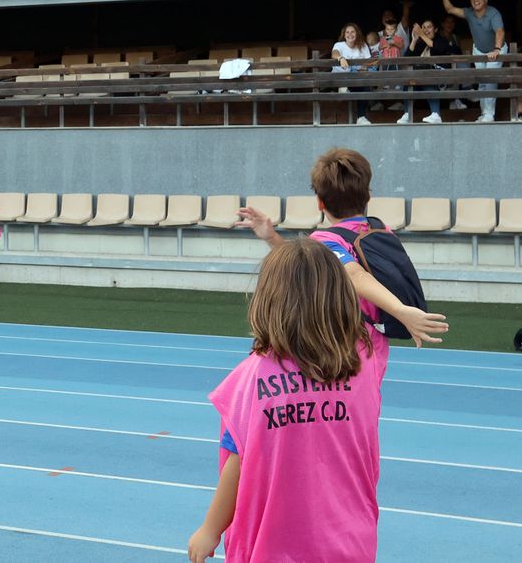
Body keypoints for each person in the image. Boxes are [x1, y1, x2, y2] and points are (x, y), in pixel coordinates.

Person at [186, 238, 387, 563]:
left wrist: (210, 529)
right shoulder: (363, 367)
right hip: (350, 542)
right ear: (339, 299)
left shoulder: (251, 379)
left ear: (269, 302)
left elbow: (237, 464)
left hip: (274, 546)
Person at [236, 148, 449, 355]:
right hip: (375, 347)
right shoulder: (378, 228)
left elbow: (355, 274)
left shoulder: (326, 240)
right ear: (368, 196)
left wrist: (400, 311)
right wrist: (272, 238)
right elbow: (309, 263)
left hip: (341, 348)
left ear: (320, 203)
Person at [439, 0, 506, 123]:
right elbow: (450, 9)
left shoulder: (493, 13)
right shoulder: (469, 12)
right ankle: (484, 113)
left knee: (490, 80)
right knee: (481, 81)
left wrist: (497, 49)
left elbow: (500, 31)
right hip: (479, 50)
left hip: (495, 50)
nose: (476, 0)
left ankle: (489, 114)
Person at [399, 16, 461, 124]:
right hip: (421, 78)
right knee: (408, 85)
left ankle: (436, 114)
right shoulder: (420, 43)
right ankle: (407, 114)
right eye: (423, 27)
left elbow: (437, 48)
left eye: (429, 27)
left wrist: (421, 34)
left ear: (435, 29)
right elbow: (406, 58)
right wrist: (414, 40)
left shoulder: (441, 40)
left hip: (440, 76)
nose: (426, 30)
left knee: (429, 79)